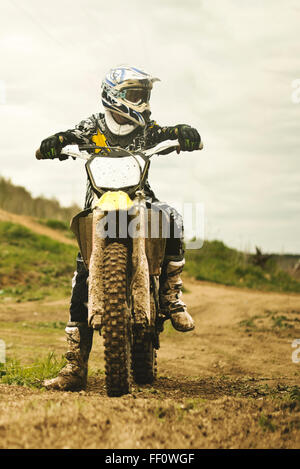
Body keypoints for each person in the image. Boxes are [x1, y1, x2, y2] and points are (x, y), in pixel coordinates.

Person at [38, 65, 201, 391]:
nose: (143, 102)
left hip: (140, 201)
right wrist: (56, 142)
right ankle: (74, 366)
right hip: (99, 205)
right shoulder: (93, 126)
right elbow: (72, 136)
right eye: (137, 94)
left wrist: (182, 132)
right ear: (115, 95)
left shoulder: (146, 129)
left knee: (172, 218)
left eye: (145, 95)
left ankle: (170, 294)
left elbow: (165, 132)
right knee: (82, 275)